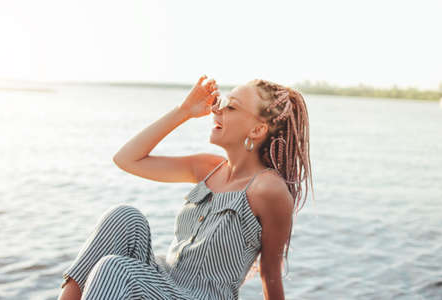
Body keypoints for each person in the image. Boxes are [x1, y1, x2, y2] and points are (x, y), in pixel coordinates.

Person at [57, 75, 314, 300]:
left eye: (231, 107)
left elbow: (270, 274)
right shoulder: (208, 168)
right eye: (221, 102)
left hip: (200, 296)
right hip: (164, 282)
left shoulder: (268, 189)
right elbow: (126, 159)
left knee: (115, 268)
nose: (217, 110)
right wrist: (184, 110)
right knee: (124, 218)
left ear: (258, 129)